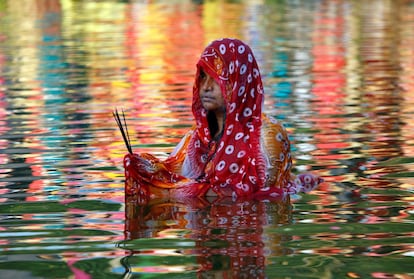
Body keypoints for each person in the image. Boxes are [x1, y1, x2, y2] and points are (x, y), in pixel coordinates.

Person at [118, 38, 322, 202]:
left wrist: (170, 192)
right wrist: (145, 170)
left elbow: (255, 192)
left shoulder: (267, 136)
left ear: (239, 81)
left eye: (216, 79)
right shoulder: (196, 139)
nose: (205, 87)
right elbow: (172, 175)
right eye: (202, 77)